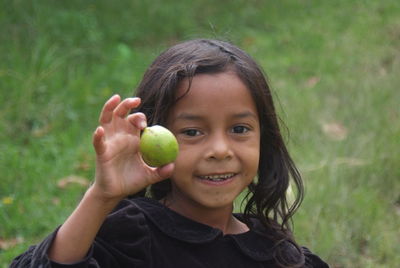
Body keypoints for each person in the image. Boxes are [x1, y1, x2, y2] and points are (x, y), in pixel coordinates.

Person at [11, 39, 329, 268]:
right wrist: (101, 197)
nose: (220, 150)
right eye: (192, 132)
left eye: (239, 129)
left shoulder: (273, 250)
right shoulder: (132, 234)